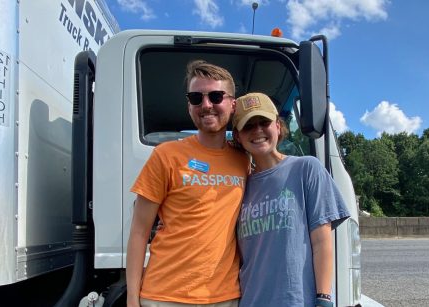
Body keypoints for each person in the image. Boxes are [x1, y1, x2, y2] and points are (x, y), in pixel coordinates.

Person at [127, 60, 249, 307]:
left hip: (224, 297)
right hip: (164, 296)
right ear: (189, 105)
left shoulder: (244, 160)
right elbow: (139, 232)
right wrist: (132, 298)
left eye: (216, 96)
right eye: (196, 97)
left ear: (232, 104)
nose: (206, 105)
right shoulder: (166, 155)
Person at [231, 92, 351, 307]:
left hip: (297, 301)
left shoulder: (307, 168)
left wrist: (323, 298)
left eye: (264, 122)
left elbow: (322, 242)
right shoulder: (239, 185)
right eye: (248, 126)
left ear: (277, 126)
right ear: (238, 136)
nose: (258, 130)